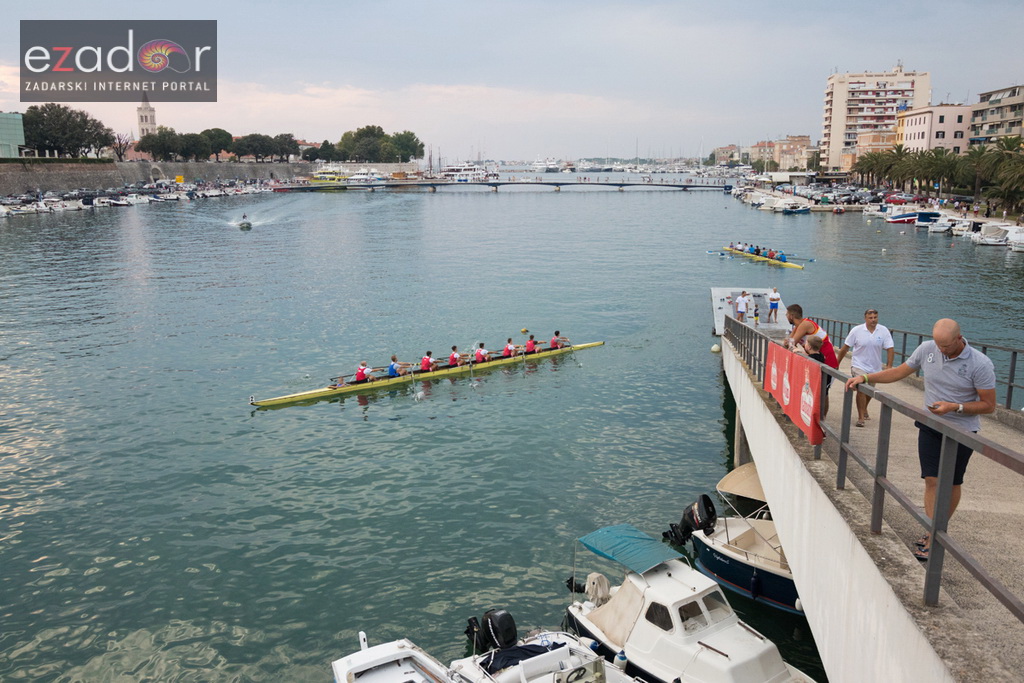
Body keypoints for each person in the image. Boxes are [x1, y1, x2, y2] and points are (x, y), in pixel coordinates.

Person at [844, 319, 996, 561]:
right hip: (931, 425)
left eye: (945, 346)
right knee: (932, 480)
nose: (941, 350)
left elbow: (988, 405)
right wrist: (866, 378)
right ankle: (931, 532)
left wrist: (954, 407)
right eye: (938, 344)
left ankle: (938, 529)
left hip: (962, 430)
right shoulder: (927, 349)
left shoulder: (980, 363)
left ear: (959, 338)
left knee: (953, 482)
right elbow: (899, 371)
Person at [834, 309, 895, 427]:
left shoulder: (883, 331)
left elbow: (890, 348)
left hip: (875, 368)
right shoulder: (856, 331)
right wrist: (837, 363)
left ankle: (864, 408)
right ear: (865, 318)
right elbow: (845, 348)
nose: (873, 320)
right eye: (870, 318)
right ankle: (861, 417)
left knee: (870, 392)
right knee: (861, 389)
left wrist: (889, 366)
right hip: (858, 366)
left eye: (875, 317)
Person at [784, 304, 839, 369]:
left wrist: (789, 342)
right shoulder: (798, 326)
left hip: (828, 362)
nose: (786, 316)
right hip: (818, 361)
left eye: (787, 314)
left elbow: (791, 344)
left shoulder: (805, 324)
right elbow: (787, 344)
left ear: (791, 316)